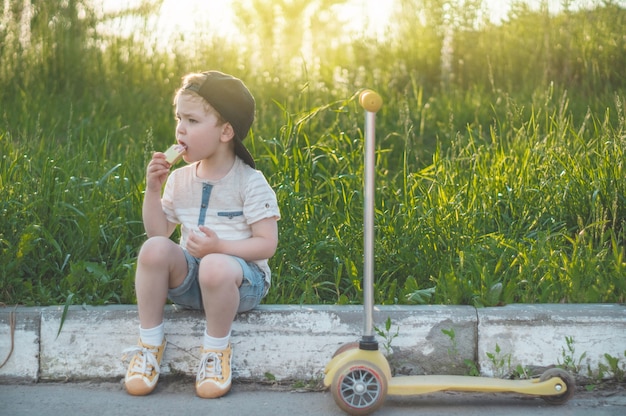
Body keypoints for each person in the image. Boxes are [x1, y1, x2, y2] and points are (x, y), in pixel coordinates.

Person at [122, 70, 280, 399]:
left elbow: (268, 244)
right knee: (152, 250)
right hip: (193, 280)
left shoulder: (249, 181)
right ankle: (149, 344)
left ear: (225, 132)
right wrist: (153, 190)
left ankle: (215, 351)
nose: (180, 128)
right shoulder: (180, 180)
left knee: (215, 265)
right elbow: (158, 233)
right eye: (179, 118)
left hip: (240, 282)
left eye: (192, 120)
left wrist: (219, 247)